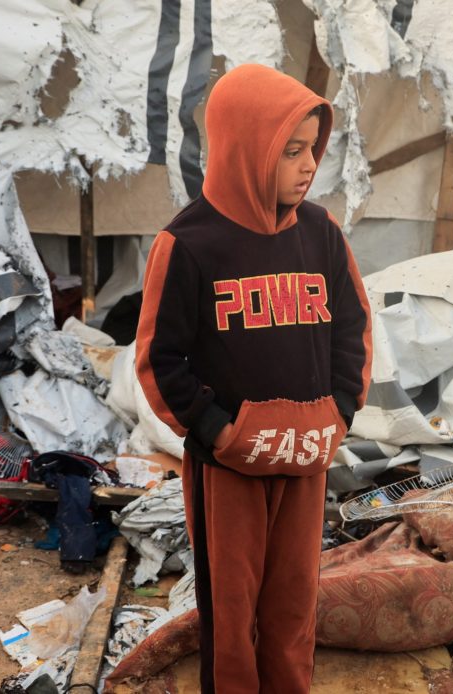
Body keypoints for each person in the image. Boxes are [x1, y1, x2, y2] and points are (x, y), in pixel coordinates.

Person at [134, 64, 372, 694]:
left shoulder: (321, 235)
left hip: (304, 455)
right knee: (232, 610)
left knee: (294, 601)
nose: (308, 165)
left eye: (313, 149)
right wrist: (217, 430)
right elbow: (160, 359)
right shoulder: (188, 244)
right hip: (231, 467)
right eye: (290, 151)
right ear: (246, 148)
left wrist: (340, 412)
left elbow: (352, 329)